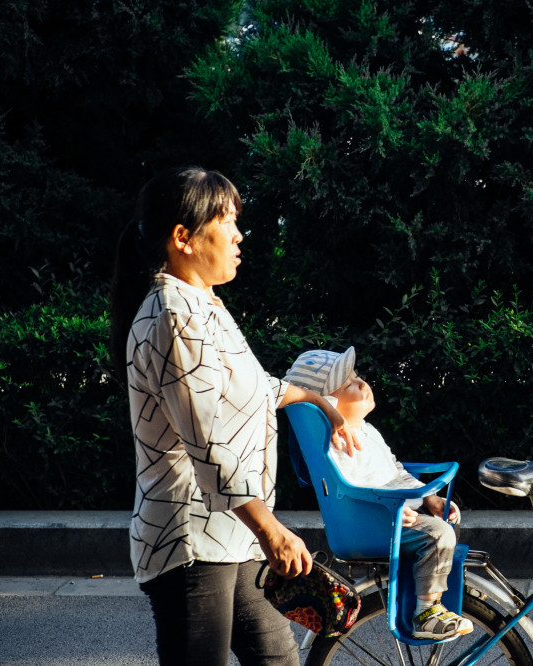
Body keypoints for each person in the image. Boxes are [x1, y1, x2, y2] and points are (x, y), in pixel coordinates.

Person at [109, 166, 358, 666]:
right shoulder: (173, 317)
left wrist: (321, 401)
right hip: (190, 539)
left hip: (228, 533)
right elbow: (207, 443)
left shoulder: (201, 304)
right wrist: (271, 530)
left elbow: (251, 387)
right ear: (183, 237)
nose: (239, 234)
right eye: (226, 220)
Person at [284, 347, 473, 641]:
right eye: (348, 384)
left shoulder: (367, 431)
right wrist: (388, 509)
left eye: (357, 377)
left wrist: (427, 499)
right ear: (328, 404)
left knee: (444, 524)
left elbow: (393, 471)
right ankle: (426, 613)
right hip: (372, 525)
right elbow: (353, 487)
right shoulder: (338, 443)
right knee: (438, 534)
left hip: (392, 516)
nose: (361, 384)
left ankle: (434, 587)